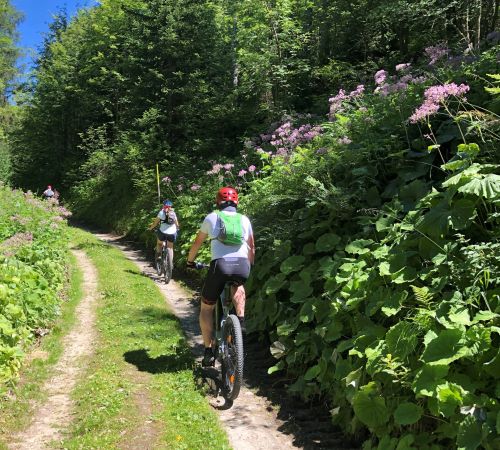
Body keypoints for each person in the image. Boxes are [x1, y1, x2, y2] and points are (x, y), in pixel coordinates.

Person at [187, 186, 255, 367]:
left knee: (206, 307)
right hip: (242, 265)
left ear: (218, 202)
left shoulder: (212, 217)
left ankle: (208, 351)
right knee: (238, 284)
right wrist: (249, 266)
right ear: (236, 202)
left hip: (220, 266)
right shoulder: (244, 219)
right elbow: (252, 247)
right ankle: (241, 322)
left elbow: (197, 243)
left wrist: (190, 261)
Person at [148, 200, 180, 266]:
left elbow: (155, 223)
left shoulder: (161, 212)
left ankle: (159, 256)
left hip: (163, 232)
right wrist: (177, 229)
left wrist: (150, 228)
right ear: (171, 206)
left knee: (159, 243)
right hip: (172, 232)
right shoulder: (173, 213)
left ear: (163, 205)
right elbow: (177, 224)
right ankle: (170, 263)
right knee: (170, 247)